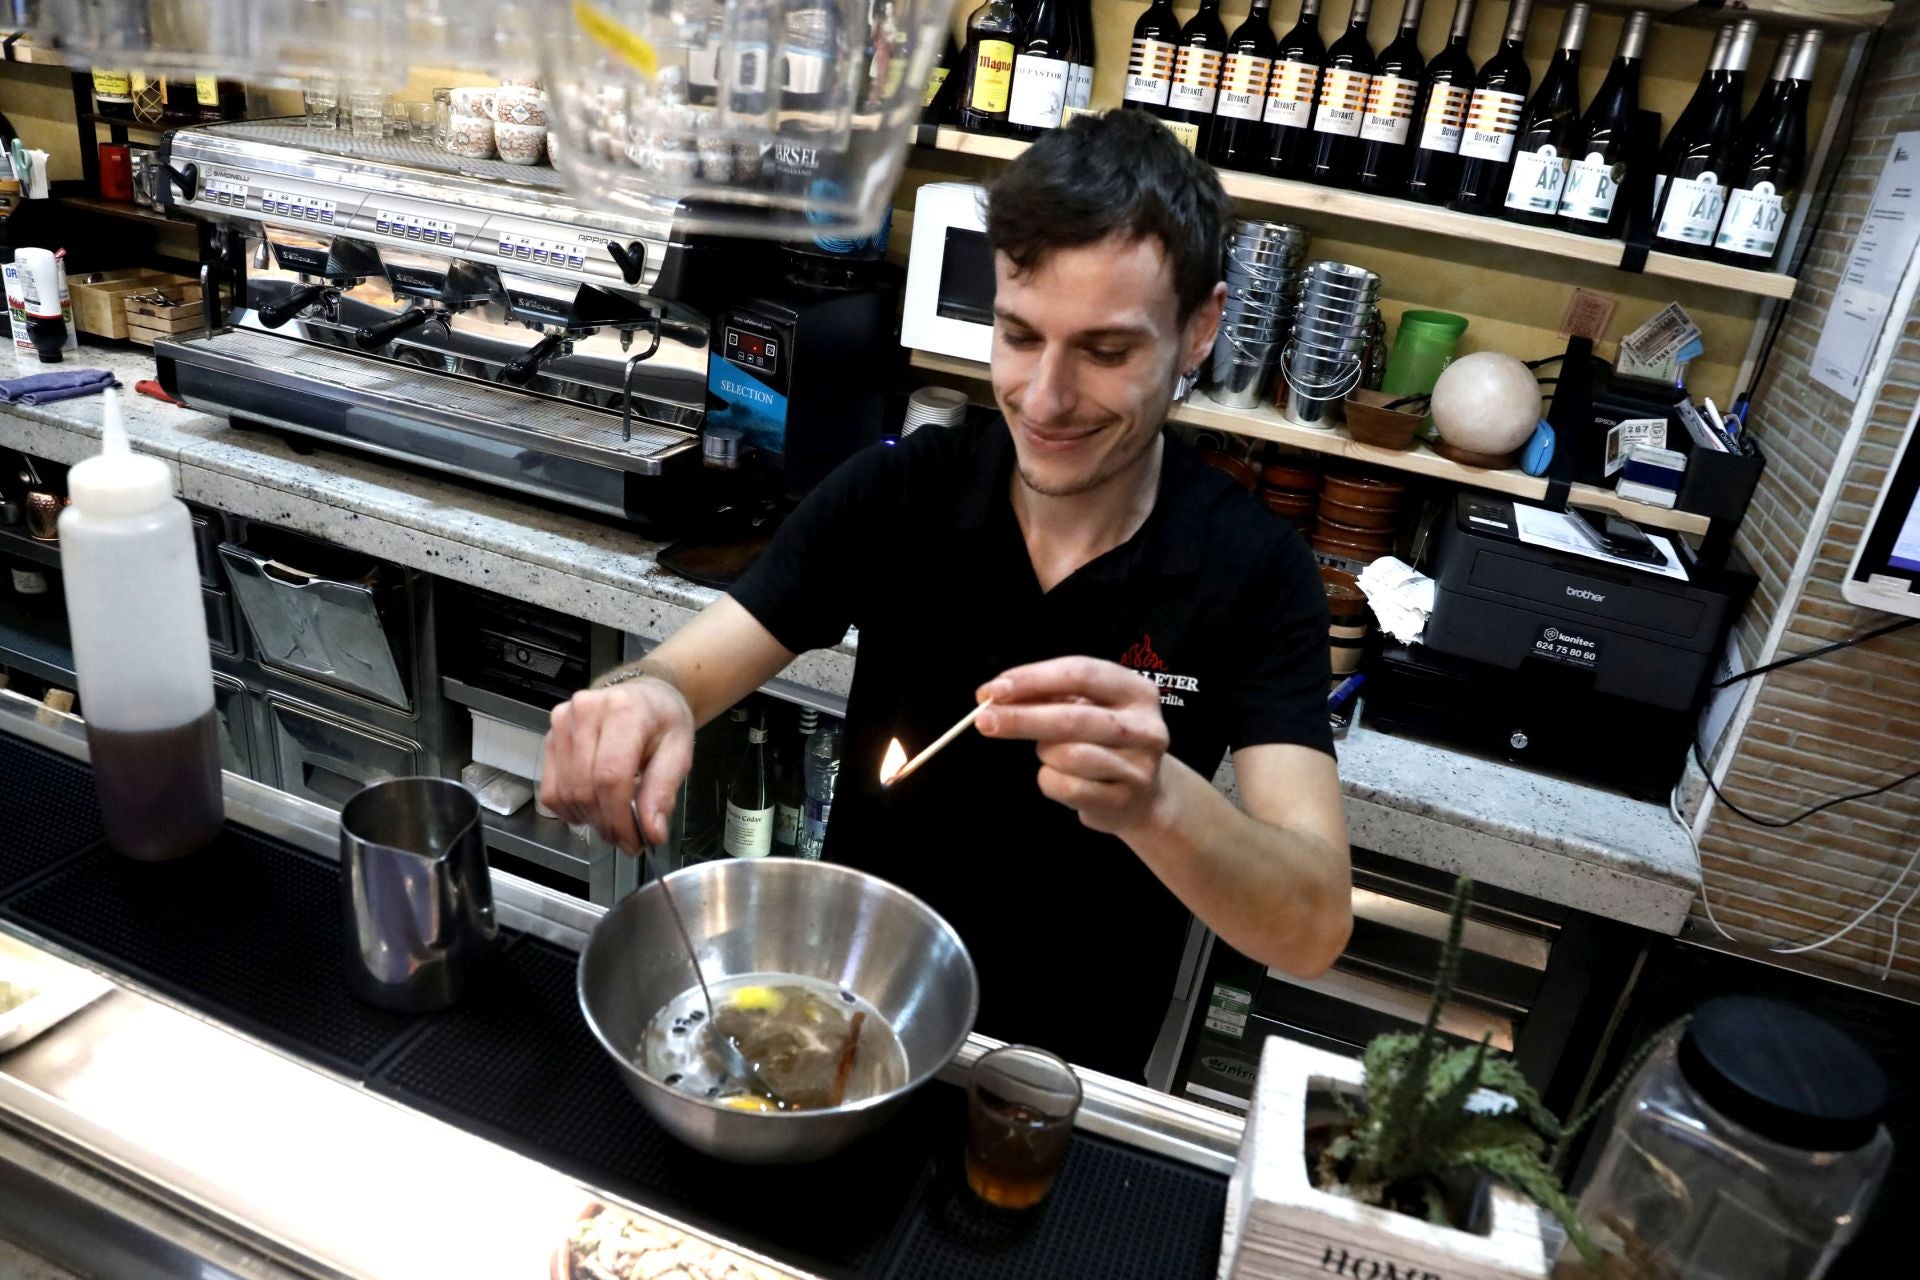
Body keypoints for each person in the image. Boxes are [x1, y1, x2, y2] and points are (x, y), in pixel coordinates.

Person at [541, 109, 1351, 1081]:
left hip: (1056, 1082)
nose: (1044, 398)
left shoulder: (1255, 570)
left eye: (1104, 351)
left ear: (1201, 329)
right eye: (1018, 334)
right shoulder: (904, 489)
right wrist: (645, 698)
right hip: (843, 1037)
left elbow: (1311, 925)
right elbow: (687, 669)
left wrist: (1158, 799)